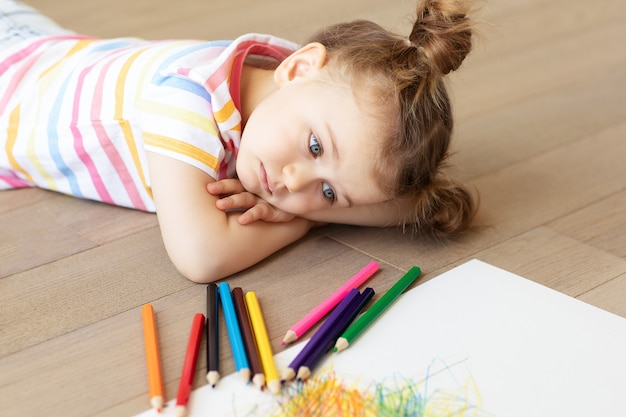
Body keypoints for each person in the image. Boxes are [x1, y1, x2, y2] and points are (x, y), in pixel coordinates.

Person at [1, 0, 477, 283]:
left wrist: (326, 200)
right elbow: (201, 256)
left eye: (329, 193)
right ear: (298, 66)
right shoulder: (184, 101)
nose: (293, 185)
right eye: (315, 148)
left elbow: (401, 203)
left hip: (49, 56)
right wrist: (305, 220)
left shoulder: (306, 85)